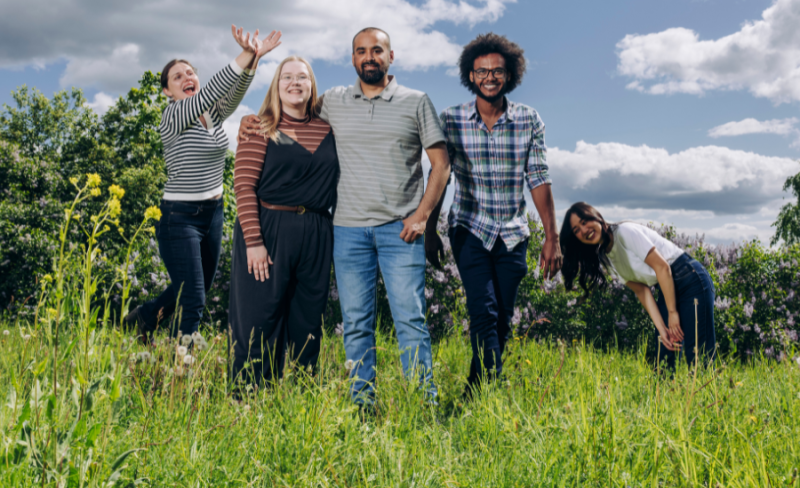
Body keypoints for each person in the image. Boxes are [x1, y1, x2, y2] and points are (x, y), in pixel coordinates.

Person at [239, 27, 450, 408]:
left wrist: (422, 216)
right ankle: (361, 405)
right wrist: (254, 121)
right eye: (361, 51)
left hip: (398, 231)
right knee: (355, 326)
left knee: (411, 323)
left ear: (390, 55)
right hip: (348, 232)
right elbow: (287, 115)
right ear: (352, 59)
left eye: (377, 50)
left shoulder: (416, 101)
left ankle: (424, 404)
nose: (369, 57)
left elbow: (441, 165)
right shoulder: (333, 102)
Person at [124, 25, 282, 342]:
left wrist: (255, 60)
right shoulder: (174, 116)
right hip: (179, 217)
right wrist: (246, 53)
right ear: (168, 91)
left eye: (190, 73)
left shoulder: (210, 116)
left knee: (195, 287)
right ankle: (183, 368)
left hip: (213, 213)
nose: (187, 79)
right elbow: (212, 90)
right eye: (177, 77)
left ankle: (142, 318)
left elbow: (233, 92)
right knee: (193, 299)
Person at [425, 33, 562, 397]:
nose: (489, 77)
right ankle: (485, 394)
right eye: (482, 71)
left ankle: (477, 389)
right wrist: (428, 228)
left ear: (510, 75)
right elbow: (440, 174)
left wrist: (552, 236)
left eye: (497, 71)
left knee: (501, 317)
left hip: (514, 234)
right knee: (482, 310)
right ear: (470, 75)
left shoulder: (528, 119)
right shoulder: (451, 120)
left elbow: (539, 177)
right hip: (470, 227)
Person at [228, 56, 338, 386]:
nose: (294, 83)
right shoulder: (260, 127)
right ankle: (248, 399)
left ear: (311, 85)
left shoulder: (329, 130)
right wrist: (254, 242)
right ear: (276, 85)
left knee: (307, 322)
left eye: (301, 77)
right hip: (269, 228)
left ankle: (301, 399)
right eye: (286, 77)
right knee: (258, 320)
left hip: (317, 232)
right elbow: (244, 186)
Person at [560, 202, 716, 369]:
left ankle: (705, 392)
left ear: (596, 216)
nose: (584, 230)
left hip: (689, 278)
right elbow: (641, 290)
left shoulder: (624, 232)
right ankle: (666, 394)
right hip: (665, 286)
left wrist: (672, 313)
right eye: (576, 230)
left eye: (584, 222)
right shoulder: (606, 257)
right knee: (664, 355)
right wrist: (662, 328)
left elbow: (662, 267)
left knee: (699, 355)